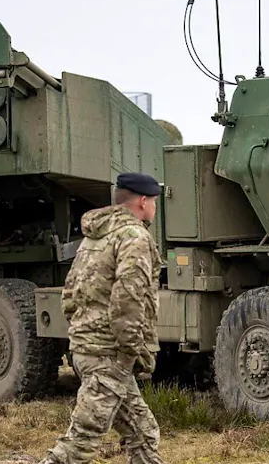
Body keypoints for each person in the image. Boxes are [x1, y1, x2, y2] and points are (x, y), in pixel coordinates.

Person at [38, 173, 165, 464]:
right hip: (109, 354)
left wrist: (83, 332)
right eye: (154, 202)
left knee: (143, 432)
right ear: (144, 202)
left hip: (86, 347)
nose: (155, 208)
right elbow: (129, 299)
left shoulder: (95, 236)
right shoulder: (134, 237)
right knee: (80, 442)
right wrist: (132, 349)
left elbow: (70, 293)